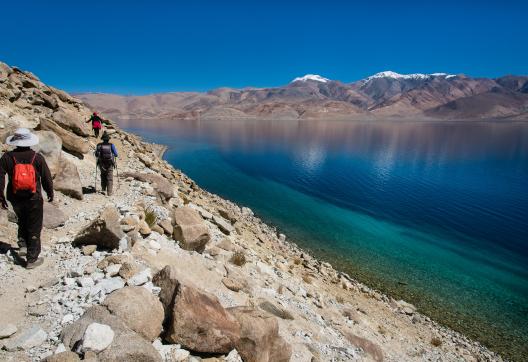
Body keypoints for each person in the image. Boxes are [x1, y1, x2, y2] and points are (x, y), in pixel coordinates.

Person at [0, 128, 53, 269]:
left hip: (15, 196)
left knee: (21, 220)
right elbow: (46, 177)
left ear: (15, 141)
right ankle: (32, 259)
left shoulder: (7, 157)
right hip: (33, 198)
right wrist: (50, 192)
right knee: (34, 226)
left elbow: (0, 178)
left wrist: (1, 197)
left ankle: (23, 245)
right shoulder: (37, 157)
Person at [95, 132, 118, 196]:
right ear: (108, 139)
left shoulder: (99, 145)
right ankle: (109, 192)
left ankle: (103, 189)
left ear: (103, 139)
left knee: (103, 176)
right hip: (110, 163)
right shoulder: (111, 145)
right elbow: (116, 154)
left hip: (101, 163)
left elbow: (96, 155)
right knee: (109, 178)